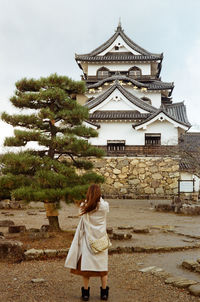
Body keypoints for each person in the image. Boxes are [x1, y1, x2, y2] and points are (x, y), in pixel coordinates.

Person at [64, 184, 110, 301]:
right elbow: (103, 204)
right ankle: (104, 293)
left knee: (86, 268)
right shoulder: (104, 206)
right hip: (101, 240)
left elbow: (83, 208)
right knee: (103, 269)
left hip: (88, 240)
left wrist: (88, 200)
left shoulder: (84, 206)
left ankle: (85, 293)